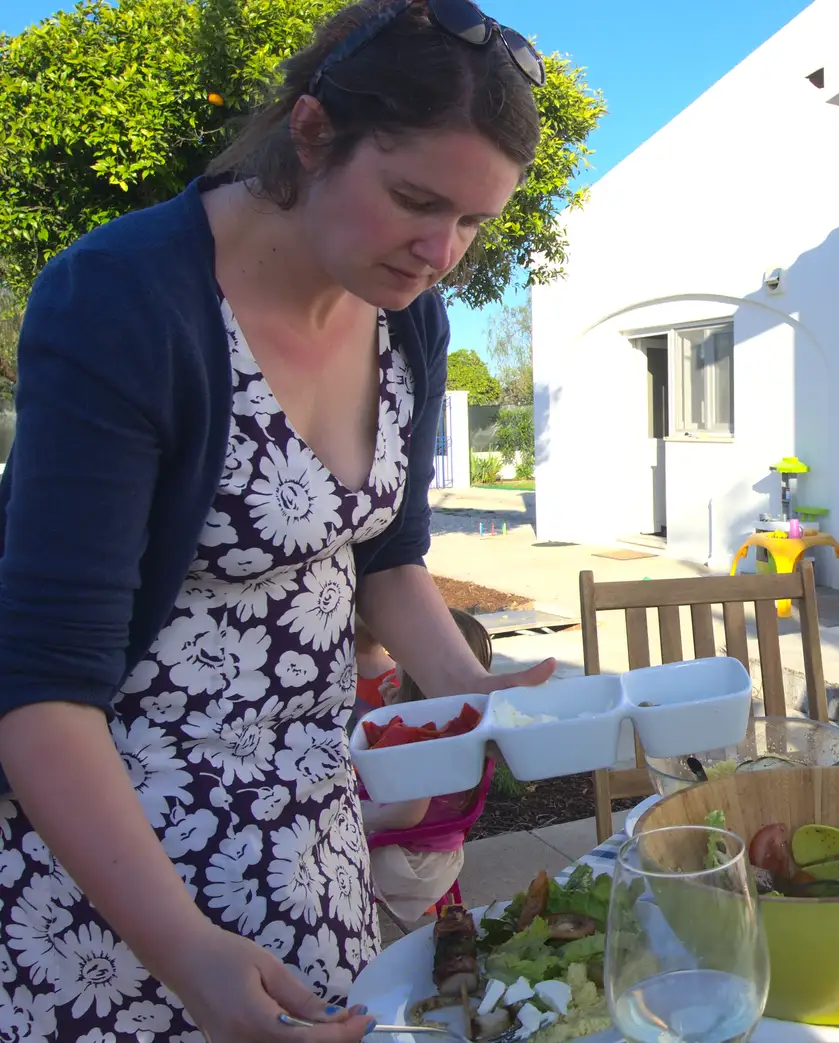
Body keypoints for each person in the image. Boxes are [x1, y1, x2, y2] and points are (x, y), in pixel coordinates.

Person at [0, 2, 557, 1040]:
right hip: (120, 875)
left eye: (474, 221)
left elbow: (385, 554)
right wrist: (184, 949)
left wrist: (477, 693)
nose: (443, 253)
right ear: (310, 134)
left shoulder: (407, 316)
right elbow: (40, 689)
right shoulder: (123, 299)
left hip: (313, 837)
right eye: (414, 200)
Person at [361, 608, 492, 924]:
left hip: (411, 861)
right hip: (440, 846)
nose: (396, 663)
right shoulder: (458, 726)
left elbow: (407, 814)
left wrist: (350, 816)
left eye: (403, 657)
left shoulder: (427, 742)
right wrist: (396, 714)